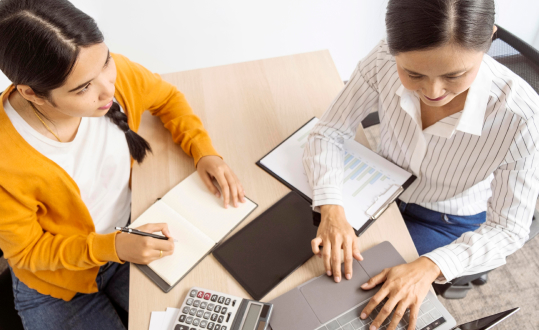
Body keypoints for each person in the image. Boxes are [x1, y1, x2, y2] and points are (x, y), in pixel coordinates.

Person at [0, 0, 245, 329]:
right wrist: (112, 245)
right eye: (84, 88)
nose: (108, 90)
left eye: (106, 62)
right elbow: (29, 252)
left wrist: (203, 151)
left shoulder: (113, 76)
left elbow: (166, 97)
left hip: (132, 239)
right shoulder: (7, 157)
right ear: (33, 94)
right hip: (55, 283)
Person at [303, 0, 539, 329]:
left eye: (455, 75)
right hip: (380, 186)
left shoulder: (522, 117)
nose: (432, 91)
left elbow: (509, 229)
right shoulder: (384, 57)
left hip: (447, 218)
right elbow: (328, 132)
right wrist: (330, 206)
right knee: (307, 262)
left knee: (359, 301)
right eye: (413, 73)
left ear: (489, 42)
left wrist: (431, 266)